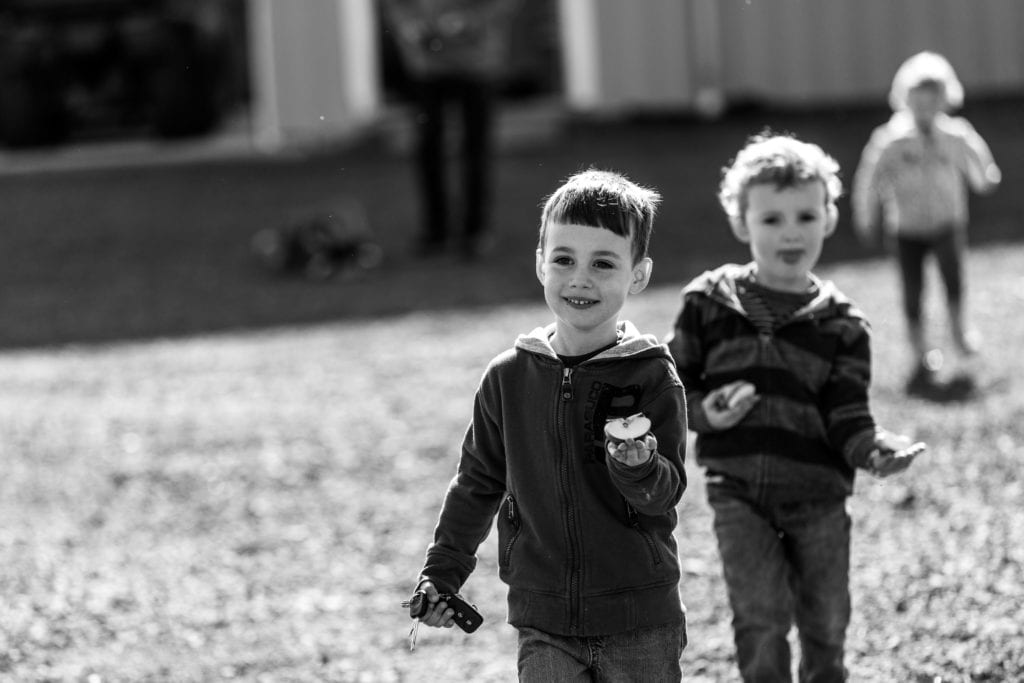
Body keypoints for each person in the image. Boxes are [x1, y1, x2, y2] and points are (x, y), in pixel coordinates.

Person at [408, 169, 689, 680]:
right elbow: (477, 483)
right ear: (540, 264)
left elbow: (664, 495)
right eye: (564, 259)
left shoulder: (651, 373)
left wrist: (640, 466)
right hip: (544, 617)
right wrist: (441, 575)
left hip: (640, 616)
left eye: (603, 263)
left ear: (638, 275)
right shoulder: (508, 377)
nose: (580, 278)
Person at [666, 133, 924, 682]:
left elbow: (848, 413)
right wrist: (706, 412)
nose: (790, 232)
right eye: (771, 219)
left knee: (827, 617)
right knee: (759, 616)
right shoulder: (707, 304)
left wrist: (875, 451)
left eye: (805, 216)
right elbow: (668, 391)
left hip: (819, 495)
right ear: (742, 224)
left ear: (829, 219)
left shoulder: (843, 325)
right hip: (738, 493)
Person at [851, 51, 1001, 392]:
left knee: (954, 279)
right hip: (906, 228)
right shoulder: (891, 140)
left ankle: (960, 332)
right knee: (912, 289)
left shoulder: (955, 135)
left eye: (933, 100)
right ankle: (920, 349)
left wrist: (984, 179)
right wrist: (867, 214)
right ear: (904, 100)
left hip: (947, 221)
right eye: (917, 100)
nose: (925, 108)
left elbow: (977, 159)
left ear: (945, 100)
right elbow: (870, 179)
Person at [381, 0, 520, 260]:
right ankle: (435, 232)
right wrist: (407, 24)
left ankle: (475, 232)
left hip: (477, 64)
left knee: (475, 149)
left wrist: (470, 20)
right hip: (427, 66)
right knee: (428, 148)